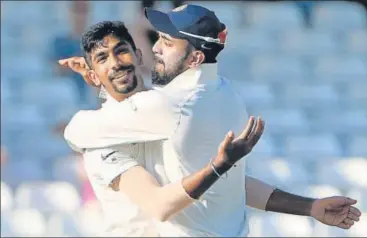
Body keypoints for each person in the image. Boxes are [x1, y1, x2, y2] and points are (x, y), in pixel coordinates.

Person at [61, 5, 361, 237]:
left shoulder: (164, 107)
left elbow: (76, 131)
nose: (156, 48)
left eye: (166, 41)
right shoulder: (226, 94)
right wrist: (308, 206)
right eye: (102, 59)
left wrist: (218, 167)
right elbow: (225, 184)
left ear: (194, 60)